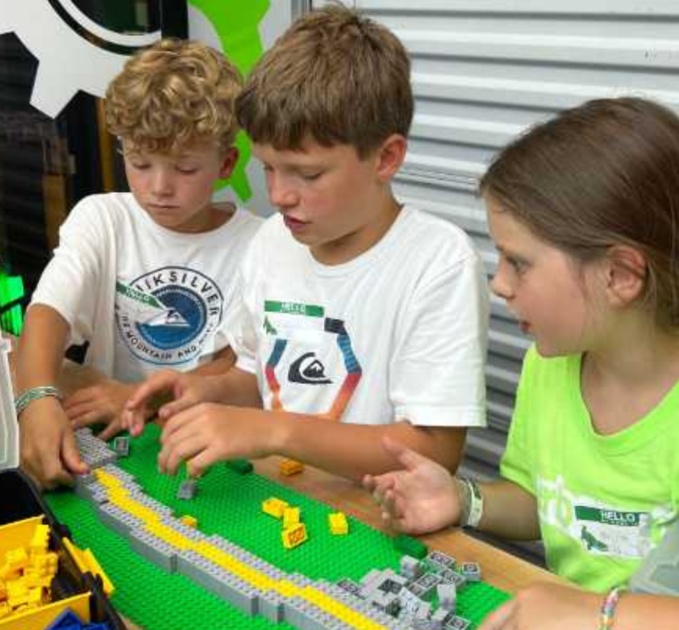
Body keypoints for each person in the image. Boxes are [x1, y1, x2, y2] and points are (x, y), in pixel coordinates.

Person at [363, 98, 679, 629]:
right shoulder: (552, 363)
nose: (500, 284)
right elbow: (553, 504)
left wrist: (605, 616)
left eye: (519, 263)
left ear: (621, 275)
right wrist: (465, 501)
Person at [122, 4, 489, 481]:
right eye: (269, 167)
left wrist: (275, 431)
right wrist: (204, 390)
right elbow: (257, 378)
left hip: (375, 519)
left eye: (308, 173)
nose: (278, 195)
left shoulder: (437, 262)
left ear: (386, 158)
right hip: (281, 499)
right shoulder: (272, 242)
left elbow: (435, 452)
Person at [16, 38, 262, 488]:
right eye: (141, 162)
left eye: (184, 169)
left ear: (226, 162)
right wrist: (35, 398)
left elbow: (237, 364)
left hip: (206, 448)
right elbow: (48, 310)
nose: (159, 187)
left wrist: (138, 399)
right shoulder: (102, 218)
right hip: (109, 438)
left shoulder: (260, 244)